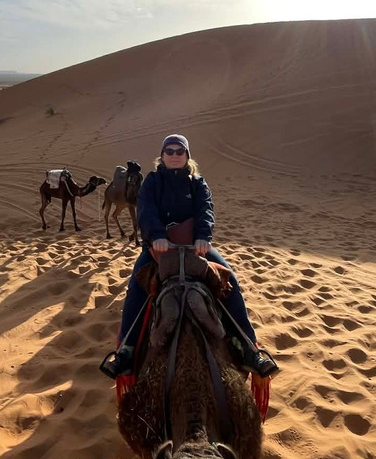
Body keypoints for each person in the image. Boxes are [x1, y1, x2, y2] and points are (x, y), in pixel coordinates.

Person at [100, 133, 278, 379]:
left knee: (229, 281)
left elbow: (206, 209)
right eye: (169, 151)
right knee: (137, 287)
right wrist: (157, 235)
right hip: (158, 248)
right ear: (162, 156)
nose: (174, 155)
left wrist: (203, 236)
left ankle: (248, 347)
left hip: (195, 247)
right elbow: (146, 210)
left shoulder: (197, 182)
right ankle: (127, 351)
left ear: (187, 156)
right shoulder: (152, 181)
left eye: (179, 151)